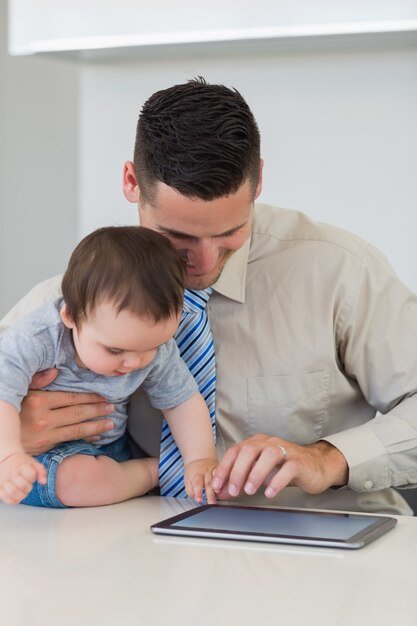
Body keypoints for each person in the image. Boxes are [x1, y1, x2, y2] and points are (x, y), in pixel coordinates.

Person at [1, 77, 417, 515]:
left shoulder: (340, 271)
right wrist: (14, 437)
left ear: (257, 185)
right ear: (130, 183)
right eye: (176, 236)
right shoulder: (77, 299)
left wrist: (328, 458)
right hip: (141, 551)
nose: (202, 260)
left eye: (229, 233)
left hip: (328, 541)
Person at [0, 225, 217, 507]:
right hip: (36, 459)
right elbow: (4, 395)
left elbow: (182, 400)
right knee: (78, 481)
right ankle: (153, 472)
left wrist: (200, 458)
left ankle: (150, 471)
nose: (135, 362)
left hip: (111, 450)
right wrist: (9, 456)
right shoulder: (37, 337)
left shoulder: (154, 348)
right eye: (115, 350)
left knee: (91, 477)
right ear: (71, 317)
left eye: (150, 347)